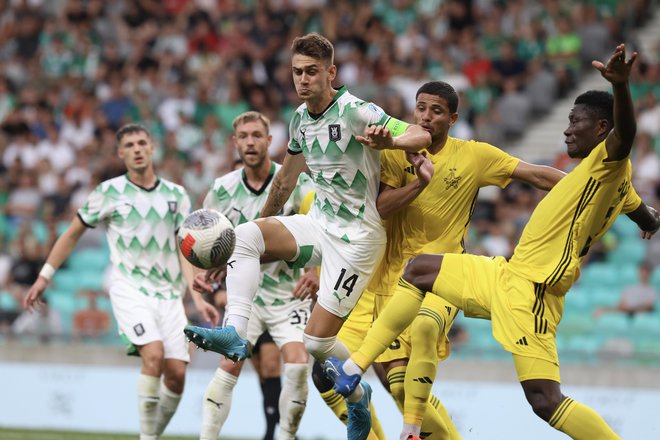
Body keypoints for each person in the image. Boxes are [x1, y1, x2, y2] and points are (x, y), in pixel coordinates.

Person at [324, 44, 660, 440]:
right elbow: (641, 212)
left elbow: (625, 135)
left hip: (533, 293)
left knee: (544, 401)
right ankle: (355, 370)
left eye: (576, 121)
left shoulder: (608, 161)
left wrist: (621, 87)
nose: (567, 129)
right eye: (567, 120)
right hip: (506, 275)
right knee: (420, 270)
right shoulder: (602, 178)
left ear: (602, 130)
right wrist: (648, 218)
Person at [184, 32, 431, 440]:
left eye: (312, 72)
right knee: (243, 236)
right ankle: (234, 332)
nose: (303, 79)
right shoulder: (300, 119)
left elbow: (420, 135)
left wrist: (394, 140)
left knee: (317, 343)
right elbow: (283, 183)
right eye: (297, 72)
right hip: (319, 224)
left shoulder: (355, 110)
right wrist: (260, 232)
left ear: (330, 73)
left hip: (358, 239)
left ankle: (357, 396)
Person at [314, 80, 566, 438]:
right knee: (385, 384)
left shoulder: (474, 156)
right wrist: (418, 183)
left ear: (453, 118)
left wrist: (592, 189)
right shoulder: (393, 150)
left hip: (444, 274)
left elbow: (537, 174)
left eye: (436, 111)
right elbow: (380, 209)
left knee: (426, 327)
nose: (426, 117)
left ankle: (410, 431)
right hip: (388, 282)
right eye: (421, 109)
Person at [23, 123, 219, 440]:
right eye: (130, 145)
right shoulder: (108, 192)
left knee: (177, 377)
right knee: (153, 355)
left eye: (142, 142)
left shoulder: (177, 195)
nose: (137, 149)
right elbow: (72, 233)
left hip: (169, 295)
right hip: (130, 289)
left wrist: (196, 298)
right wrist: (45, 276)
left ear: (152, 148)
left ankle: (151, 434)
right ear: (121, 153)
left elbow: (184, 250)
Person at [194, 111, 317, 440]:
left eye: (256, 135)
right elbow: (202, 240)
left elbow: (323, 229)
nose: (250, 141)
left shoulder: (297, 182)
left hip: (288, 295)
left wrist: (317, 270)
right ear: (235, 143)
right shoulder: (222, 190)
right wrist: (202, 275)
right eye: (244, 136)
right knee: (230, 363)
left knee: (296, 364)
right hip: (244, 298)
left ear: (269, 140)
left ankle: (287, 436)